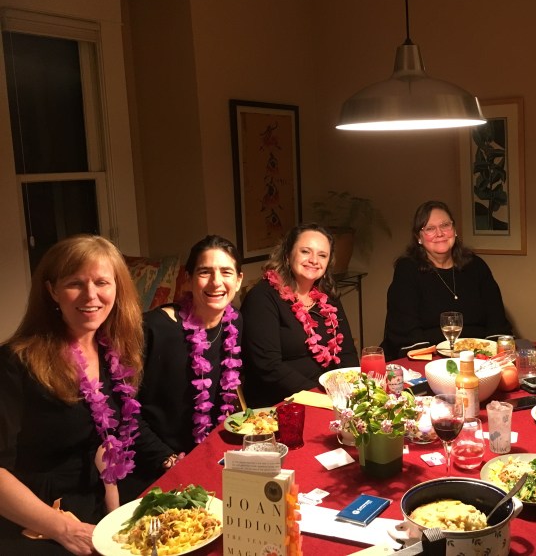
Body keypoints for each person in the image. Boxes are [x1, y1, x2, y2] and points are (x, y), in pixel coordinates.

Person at [0, 235, 144, 555]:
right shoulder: (14, 363)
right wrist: (65, 529)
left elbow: (103, 445)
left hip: (92, 511)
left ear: (117, 288)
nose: (91, 295)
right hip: (32, 523)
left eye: (102, 282)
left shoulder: (112, 353)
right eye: (75, 283)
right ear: (52, 291)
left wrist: (115, 516)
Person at [122, 235, 243, 502]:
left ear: (238, 280)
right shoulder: (154, 328)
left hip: (211, 459)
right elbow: (124, 409)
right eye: (205, 272)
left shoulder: (234, 322)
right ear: (188, 279)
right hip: (154, 469)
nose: (216, 282)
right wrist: (166, 459)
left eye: (226, 272)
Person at [241, 223, 358, 406]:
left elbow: (347, 353)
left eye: (322, 255)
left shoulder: (328, 297)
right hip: (282, 402)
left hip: (331, 398)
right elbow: (269, 367)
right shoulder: (261, 298)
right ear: (287, 255)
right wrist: (320, 399)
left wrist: (353, 391)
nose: (314, 260)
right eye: (305, 251)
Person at [382, 201, 512, 359]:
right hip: (430, 358)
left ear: (454, 230)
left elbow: (497, 321)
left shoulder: (476, 265)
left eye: (445, 225)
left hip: (478, 357)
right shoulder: (407, 269)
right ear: (419, 237)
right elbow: (407, 331)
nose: (439, 233)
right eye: (430, 228)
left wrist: (489, 357)